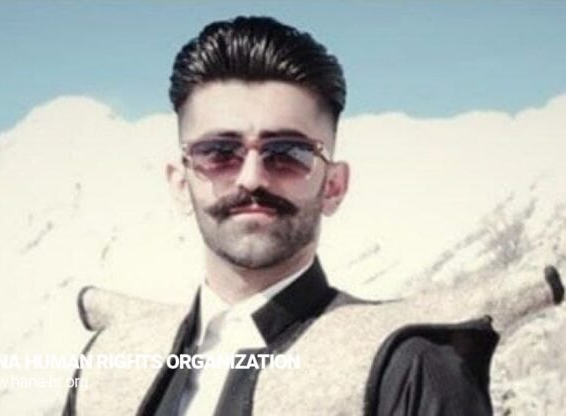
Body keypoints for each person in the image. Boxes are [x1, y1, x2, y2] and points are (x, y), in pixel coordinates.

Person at [63, 15, 563, 416]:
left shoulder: (409, 368)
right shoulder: (109, 371)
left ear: (334, 185)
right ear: (180, 182)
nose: (251, 178)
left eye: (288, 153)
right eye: (219, 152)